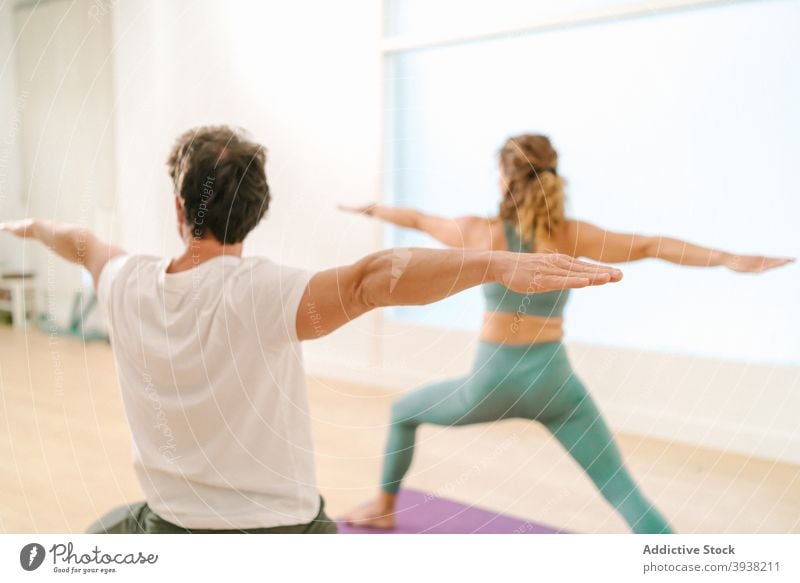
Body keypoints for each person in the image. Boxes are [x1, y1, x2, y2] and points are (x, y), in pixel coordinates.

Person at [0, 126, 623, 534]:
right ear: (257, 213)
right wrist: (499, 262)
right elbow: (371, 279)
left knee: (93, 543)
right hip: (289, 537)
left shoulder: (125, 281)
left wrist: (33, 227)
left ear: (180, 208)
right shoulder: (272, 293)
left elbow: (80, 243)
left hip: (172, 532)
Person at [341, 133, 793, 534]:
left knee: (403, 411)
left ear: (504, 178)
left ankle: (383, 507)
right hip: (554, 383)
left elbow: (419, 219)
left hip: (489, 383)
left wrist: (374, 208)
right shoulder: (572, 235)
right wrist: (727, 257)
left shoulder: (479, 232)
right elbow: (652, 245)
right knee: (620, 490)